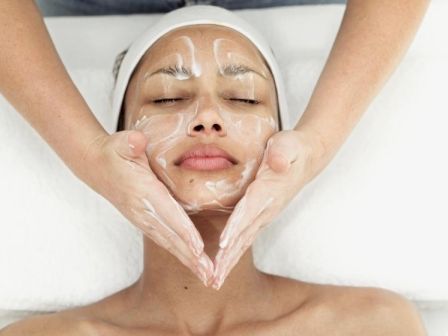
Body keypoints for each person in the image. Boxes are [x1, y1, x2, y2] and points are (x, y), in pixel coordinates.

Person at [0, 6, 427, 335]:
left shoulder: (372, 326)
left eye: (243, 98)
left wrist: (318, 145)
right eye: (167, 99)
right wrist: (86, 153)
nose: (207, 116)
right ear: (118, 143)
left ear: (281, 140)